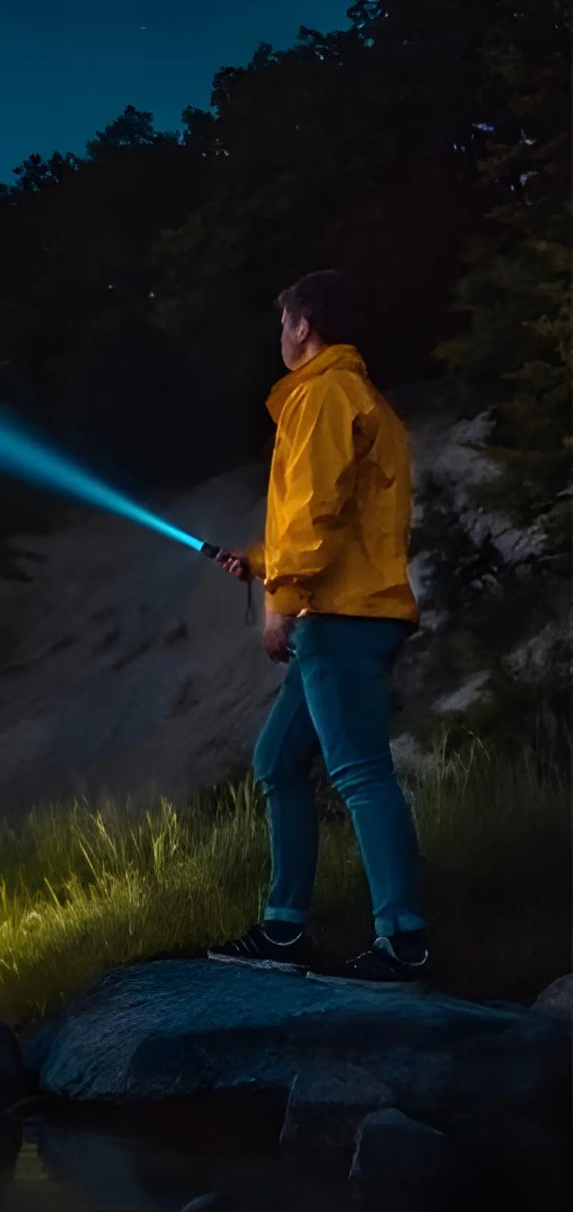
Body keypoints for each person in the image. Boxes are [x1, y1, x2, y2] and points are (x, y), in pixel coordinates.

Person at [207, 270, 429, 988]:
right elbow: (339, 515)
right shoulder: (362, 400)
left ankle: (403, 943)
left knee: (360, 769)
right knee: (277, 759)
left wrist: (281, 594)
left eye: (283, 324)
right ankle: (283, 928)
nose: (280, 336)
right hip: (344, 608)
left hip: (339, 618)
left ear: (303, 324)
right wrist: (264, 562)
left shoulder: (323, 393)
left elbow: (317, 508)